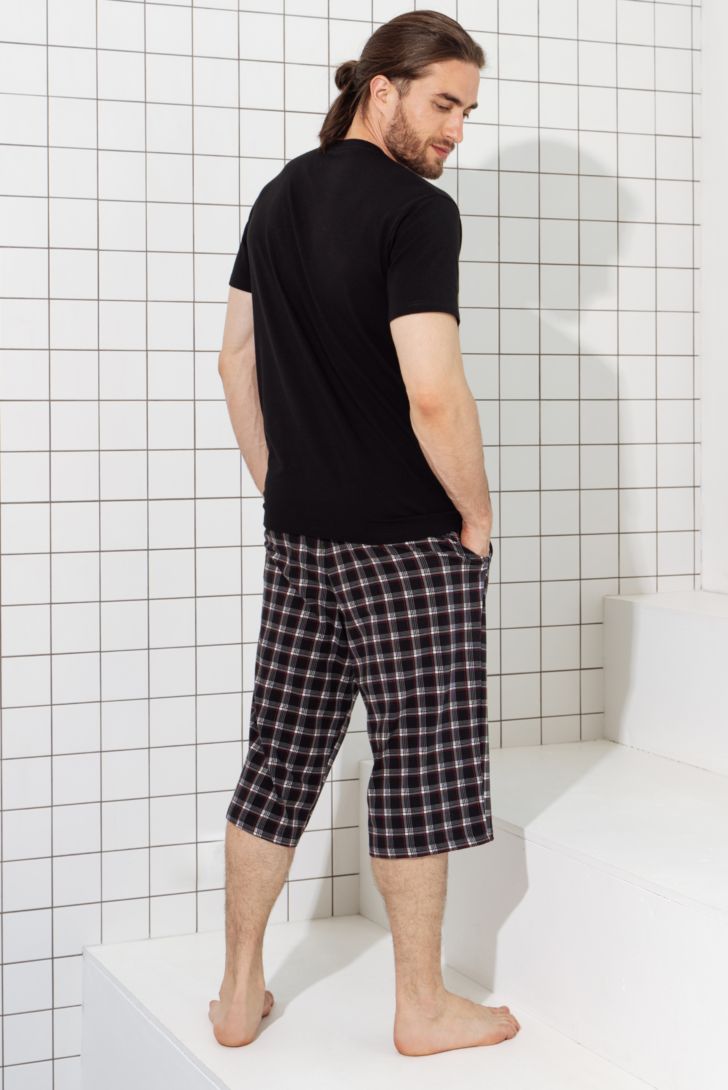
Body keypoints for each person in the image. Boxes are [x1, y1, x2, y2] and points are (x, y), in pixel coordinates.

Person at [209, 9, 520, 1057]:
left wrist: (283, 487)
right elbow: (433, 391)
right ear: (380, 89)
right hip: (404, 544)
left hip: (301, 538)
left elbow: (234, 357)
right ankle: (421, 1006)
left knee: (278, 760)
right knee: (419, 769)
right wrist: (474, 515)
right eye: (443, 104)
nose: (455, 132)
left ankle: (238, 993)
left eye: (467, 112)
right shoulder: (416, 213)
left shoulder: (279, 195)